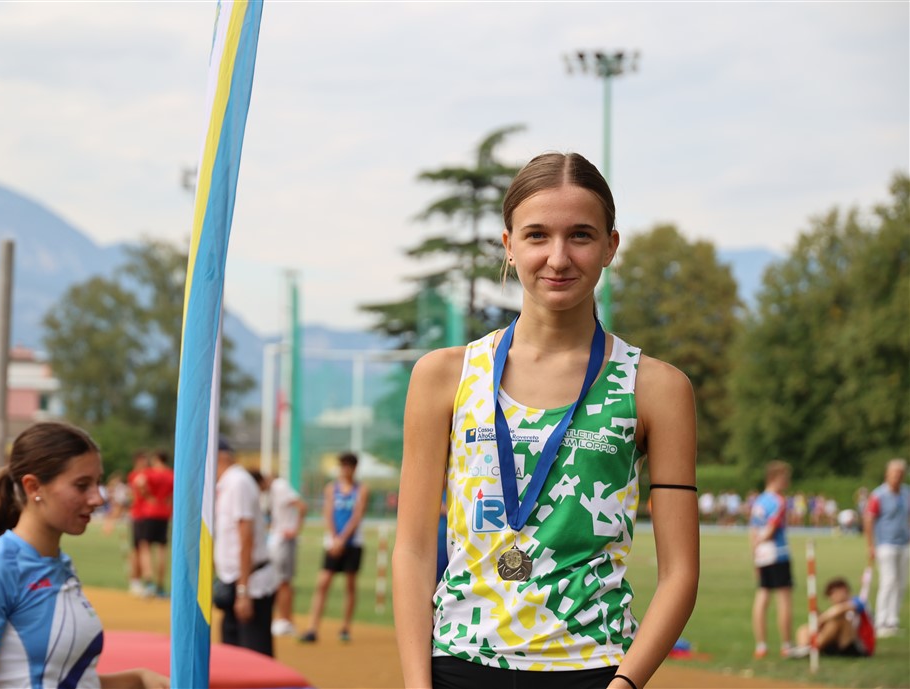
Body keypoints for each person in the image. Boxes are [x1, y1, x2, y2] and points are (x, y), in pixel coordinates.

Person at [392, 152, 699, 689]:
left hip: (593, 669)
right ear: (509, 245)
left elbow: (681, 573)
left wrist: (624, 685)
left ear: (610, 246)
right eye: (537, 235)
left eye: (580, 235)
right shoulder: (442, 377)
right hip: (459, 667)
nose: (558, 258)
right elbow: (414, 550)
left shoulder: (657, 388)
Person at [0, 422, 169, 689]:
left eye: (97, 483)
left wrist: (139, 679)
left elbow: (63, 680)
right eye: (82, 485)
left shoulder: (60, 564)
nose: (97, 499)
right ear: (33, 487)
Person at [213, 435, 277, 656]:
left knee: (254, 656)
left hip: (250, 583)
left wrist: (243, 591)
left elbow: (246, 536)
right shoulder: (225, 484)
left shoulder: (237, 483)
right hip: (234, 581)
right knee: (233, 656)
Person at [300, 452, 370, 643]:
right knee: (323, 583)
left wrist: (343, 539)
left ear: (354, 468)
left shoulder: (361, 489)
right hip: (333, 543)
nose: (345, 469)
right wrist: (335, 538)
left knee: (350, 585)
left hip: (353, 543)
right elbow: (328, 513)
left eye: (349, 466)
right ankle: (312, 628)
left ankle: (345, 627)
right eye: (342, 466)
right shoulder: (332, 488)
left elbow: (357, 516)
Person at [750, 460, 795, 659]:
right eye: (786, 477)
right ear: (776, 477)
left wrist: (755, 553)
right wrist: (764, 539)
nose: (788, 481)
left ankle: (761, 645)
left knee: (762, 596)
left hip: (761, 555)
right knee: (783, 599)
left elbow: (753, 531)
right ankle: (786, 645)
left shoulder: (758, 501)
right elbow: (771, 529)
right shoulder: (779, 501)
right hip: (778, 552)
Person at [863, 458, 909, 638]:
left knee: (901, 583)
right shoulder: (878, 495)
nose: (897, 477)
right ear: (887, 474)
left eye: (900, 473)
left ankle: (892, 619)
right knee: (888, 581)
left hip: (904, 543)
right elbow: (869, 519)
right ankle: (881, 620)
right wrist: (871, 545)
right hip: (885, 544)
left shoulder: (906, 493)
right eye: (894, 473)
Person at [263, 471, 308, 637]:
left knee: (283, 581)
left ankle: (285, 620)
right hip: (278, 538)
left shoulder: (279, 486)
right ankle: (284, 619)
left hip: (283, 540)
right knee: (279, 580)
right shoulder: (274, 490)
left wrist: (295, 529)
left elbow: (301, 506)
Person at [790, 576, 875, 658]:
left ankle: (812, 648)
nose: (831, 598)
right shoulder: (836, 609)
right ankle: (803, 648)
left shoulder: (858, 601)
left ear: (843, 590)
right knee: (804, 629)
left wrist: (822, 618)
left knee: (837, 619)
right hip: (840, 643)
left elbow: (841, 609)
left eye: (832, 594)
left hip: (859, 646)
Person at [138, 449, 174, 598]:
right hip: (164, 513)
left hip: (150, 511)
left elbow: (139, 482)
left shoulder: (149, 472)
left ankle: (149, 582)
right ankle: (160, 586)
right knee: (162, 550)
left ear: (157, 459)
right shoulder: (171, 474)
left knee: (145, 547)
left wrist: (148, 496)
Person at [127, 450, 150, 596]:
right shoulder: (136, 476)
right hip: (139, 515)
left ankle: (137, 581)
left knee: (141, 548)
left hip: (145, 516)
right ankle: (136, 580)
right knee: (139, 548)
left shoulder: (146, 475)